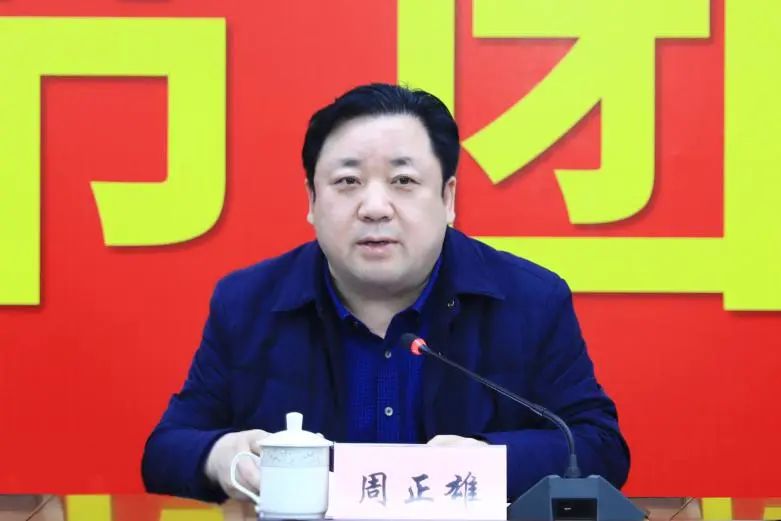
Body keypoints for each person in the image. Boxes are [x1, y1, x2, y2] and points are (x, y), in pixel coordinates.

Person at [141, 83, 630, 502]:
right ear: (312, 199)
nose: (374, 207)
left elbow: (600, 448)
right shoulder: (247, 303)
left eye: (403, 181)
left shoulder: (529, 300)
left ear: (448, 198)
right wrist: (223, 457)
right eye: (348, 181)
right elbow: (165, 451)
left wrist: (490, 461)